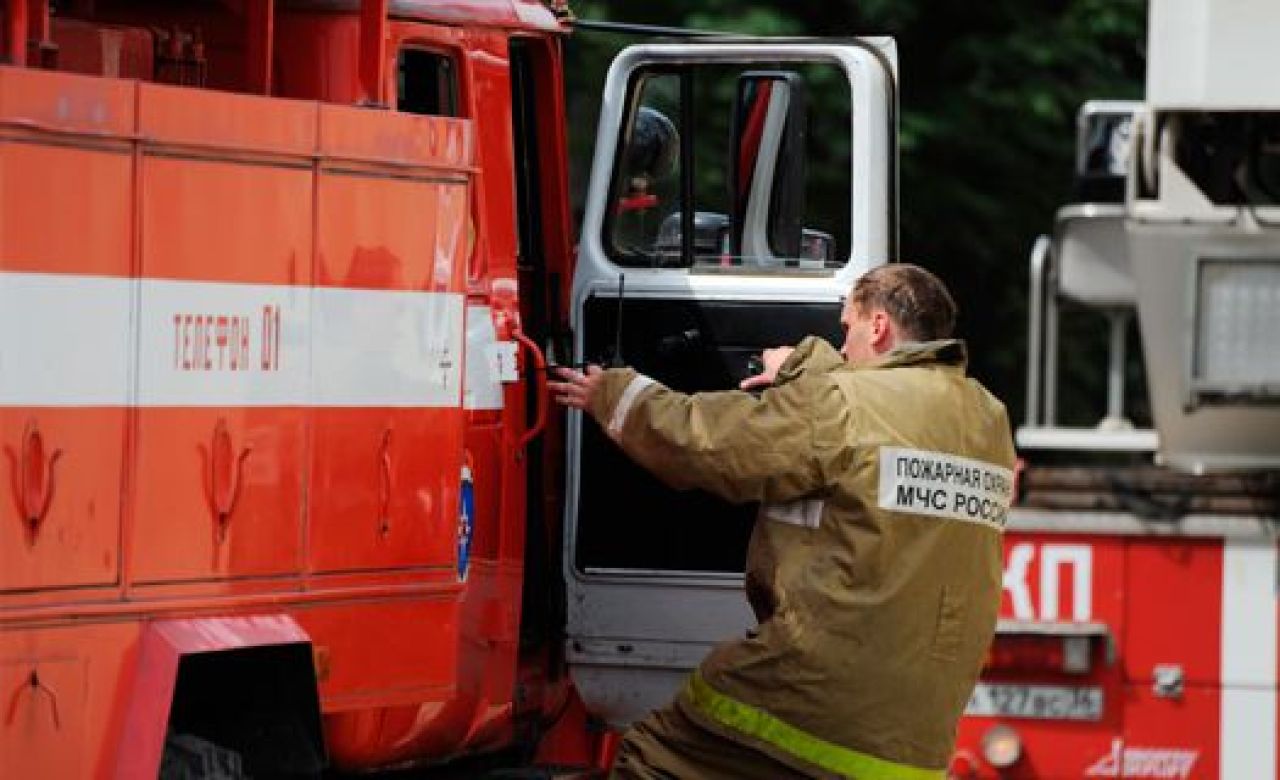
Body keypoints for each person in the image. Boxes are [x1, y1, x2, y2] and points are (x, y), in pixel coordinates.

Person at [550, 263, 1016, 780]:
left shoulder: (843, 404)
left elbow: (713, 444)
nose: (842, 349)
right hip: (914, 739)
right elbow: (881, 435)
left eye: (847, 330)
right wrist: (806, 369)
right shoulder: (987, 419)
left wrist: (617, 396)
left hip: (814, 697)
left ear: (879, 326)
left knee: (658, 758)